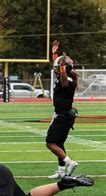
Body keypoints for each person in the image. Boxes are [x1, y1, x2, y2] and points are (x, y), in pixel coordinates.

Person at [47, 40, 80, 179]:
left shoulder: (67, 81)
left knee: (50, 143)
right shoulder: (63, 78)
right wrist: (54, 54)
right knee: (59, 143)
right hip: (63, 115)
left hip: (63, 116)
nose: (56, 70)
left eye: (58, 68)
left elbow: (64, 79)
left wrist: (61, 67)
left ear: (64, 69)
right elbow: (60, 72)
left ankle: (69, 162)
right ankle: (61, 170)